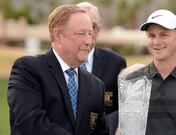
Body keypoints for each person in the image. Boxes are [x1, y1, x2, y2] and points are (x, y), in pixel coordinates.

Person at [8, 5, 107, 135]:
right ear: (58, 35)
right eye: (81, 33)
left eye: (90, 33)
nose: (89, 41)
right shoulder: (28, 69)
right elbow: (30, 122)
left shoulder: (96, 86)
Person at [76, 2, 127, 115]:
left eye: (93, 27)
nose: (88, 32)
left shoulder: (116, 63)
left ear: (98, 30)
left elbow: (120, 111)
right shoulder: (60, 62)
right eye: (81, 26)